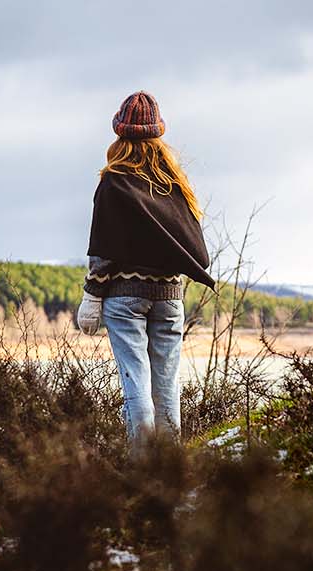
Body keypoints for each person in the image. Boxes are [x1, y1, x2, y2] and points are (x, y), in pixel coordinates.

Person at [77, 90, 215, 441]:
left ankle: (143, 477)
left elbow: (103, 251)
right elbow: (194, 247)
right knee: (166, 390)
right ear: (158, 136)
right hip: (170, 298)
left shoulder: (113, 182)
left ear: (119, 134)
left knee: (137, 388)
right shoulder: (175, 186)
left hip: (124, 300)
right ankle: (171, 478)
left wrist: (92, 296)